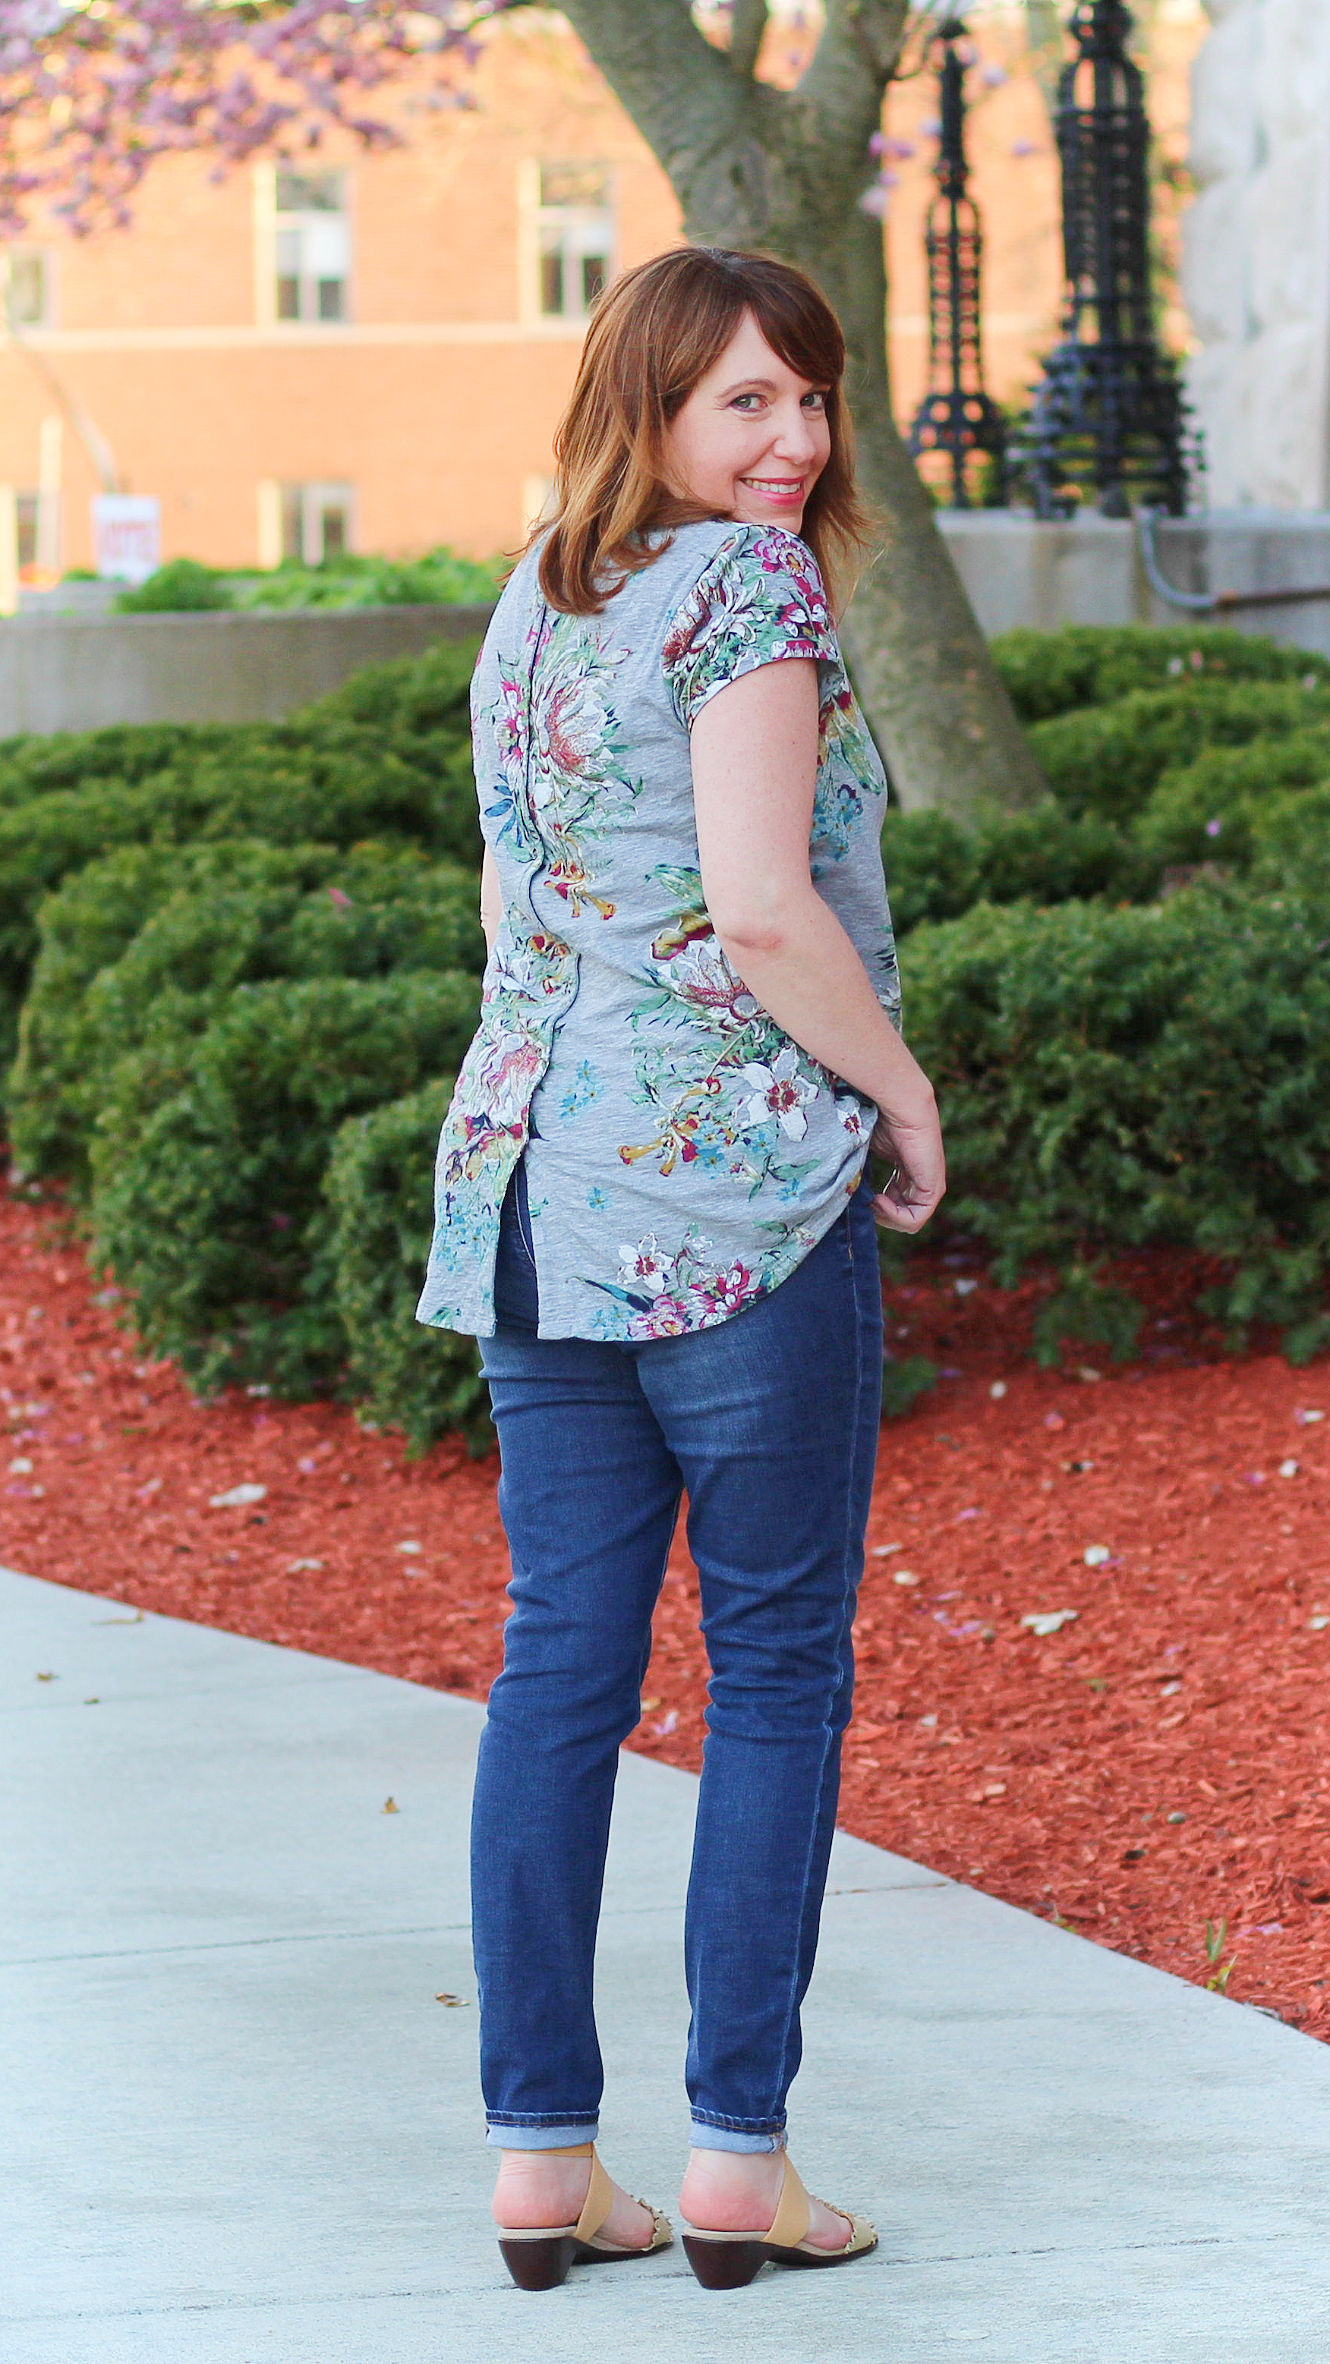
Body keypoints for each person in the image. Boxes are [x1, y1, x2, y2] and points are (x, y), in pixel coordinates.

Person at [416, 244, 946, 2294]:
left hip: (530, 1186)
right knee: (776, 1671)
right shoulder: (750, 590)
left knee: (560, 1664)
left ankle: (543, 2161)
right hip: (732, 1203)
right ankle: (738, 2157)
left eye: (806, 398)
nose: (790, 440)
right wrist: (898, 1099)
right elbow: (757, 911)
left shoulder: (538, 587)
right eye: (741, 401)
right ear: (640, 404)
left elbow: (507, 903)